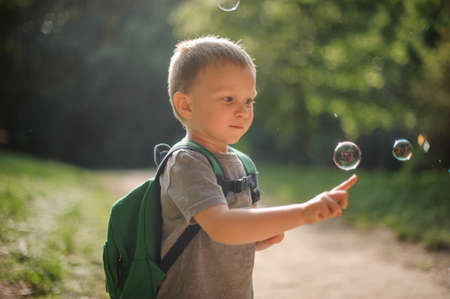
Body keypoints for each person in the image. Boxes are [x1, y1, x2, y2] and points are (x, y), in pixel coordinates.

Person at [157, 35, 358, 299]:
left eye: (249, 100)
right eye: (228, 99)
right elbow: (223, 226)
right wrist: (304, 212)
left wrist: (262, 234)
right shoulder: (187, 162)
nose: (243, 111)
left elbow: (238, 232)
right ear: (186, 104)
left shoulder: (242, 163)